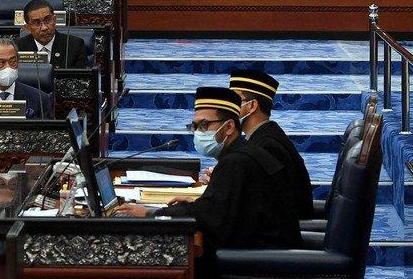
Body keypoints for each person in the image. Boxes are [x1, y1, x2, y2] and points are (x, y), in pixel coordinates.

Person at [115, 87, 301, 253]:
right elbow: (221, 211)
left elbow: (214, 222)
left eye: (204, 125)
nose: (198, 132)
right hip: (260, 249)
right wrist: (195, 205)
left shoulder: (237, 162)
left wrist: (150, 213)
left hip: (261, 264)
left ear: (228, 127)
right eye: (195, 127)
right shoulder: (242, 154)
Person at [230, 70, 313, 219]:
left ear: (252, 106)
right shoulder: (265, 135)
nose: (228, 107)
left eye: (235, 100)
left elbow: (260, 203)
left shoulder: (267, 147)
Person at [16, 0, 89, 68]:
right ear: (27, 28)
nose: (44, 28)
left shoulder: (75, 45)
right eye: (37, 23)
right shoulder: (18, 48)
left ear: (54, 20)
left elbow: (81, 79)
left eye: (48, 20)